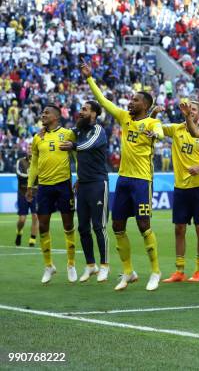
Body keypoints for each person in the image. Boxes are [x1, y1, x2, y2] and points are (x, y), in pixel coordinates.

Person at [83, 63, 164, 292]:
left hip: (142, 181)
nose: (130, 102)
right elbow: (104, 101)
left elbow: (158, 131)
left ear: (145, 105)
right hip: (124, 180)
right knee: (117, 226)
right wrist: (90, 79)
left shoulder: (151, 122)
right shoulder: (124, 118)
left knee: (143, 224)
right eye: (130, 99)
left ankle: (155, 271)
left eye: (135, 100)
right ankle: (128, 272)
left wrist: (154, 134)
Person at [155, 101, 199, 283]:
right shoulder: (176, 129)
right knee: (179, 229)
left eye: (194, 109)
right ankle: (179, 271)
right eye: (188, 108)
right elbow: (154, 128)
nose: (191, 111)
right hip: (180, 188)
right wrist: (154, 113)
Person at [26, 105, 77, 284]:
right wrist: (30, 185)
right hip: (45, 187)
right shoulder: (37, 138)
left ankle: (71, 264)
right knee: (43, 226)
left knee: (68, 224)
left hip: (64, 185)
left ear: (56, 117)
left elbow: (77, 157)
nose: (43, 115)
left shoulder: (68, 134)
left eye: (46, 113)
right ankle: (49, 266)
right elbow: (34, 164)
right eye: (42, 113)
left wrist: (79, 176)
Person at [63, 100, 110, 283]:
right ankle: (91, 265)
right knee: (83, 227)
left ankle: (105, 265)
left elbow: (88, 145)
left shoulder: (98, 130)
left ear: (94, 114)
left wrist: (73, 146)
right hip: (82, 185)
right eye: (80, 108)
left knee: (99, 226)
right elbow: (64, 135)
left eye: (85, 109)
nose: (80, 111)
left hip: (98, 184)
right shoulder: (78, 130)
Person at [15, 148, 38, 247]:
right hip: (23, 192)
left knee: (35, 216)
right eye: (28, 148)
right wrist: (31, 175)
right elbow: (19, 174)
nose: (30, 150)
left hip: (35, 193)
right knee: (22, 219)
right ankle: (19, 232)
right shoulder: (20, 161)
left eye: (31, 148)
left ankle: (32, 239)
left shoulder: (39, 161)